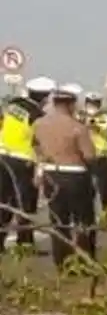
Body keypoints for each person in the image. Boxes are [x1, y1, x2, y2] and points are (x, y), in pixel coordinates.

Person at [32, 82, 97, 269]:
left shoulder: (39, 124)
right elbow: (90, 155)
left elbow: (37, 149)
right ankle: (85, 261)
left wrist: (40, 170)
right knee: (83, 221)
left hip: (52, 175)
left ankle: (62, 262)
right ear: (71, 104)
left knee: (59, 221)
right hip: (76, 175)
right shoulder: (77, 127)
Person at [0, 75, 55, 252]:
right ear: (45, 98)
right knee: (26, 203)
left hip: (2, 156)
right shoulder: (37, 115)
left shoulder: (13, 104)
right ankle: (25, 243)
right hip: (22, 162)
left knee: (4, 200)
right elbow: (38, 142)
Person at [82, 93, 107, 213]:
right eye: (90, 103)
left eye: (95, 104)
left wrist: (90, 121)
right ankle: (86, 213)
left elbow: (98, 128)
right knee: (86, 188)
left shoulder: (104, 117)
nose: (92, 106)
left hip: (101, 156)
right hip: (85, 155)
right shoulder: (81, 116)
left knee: (104, 187)